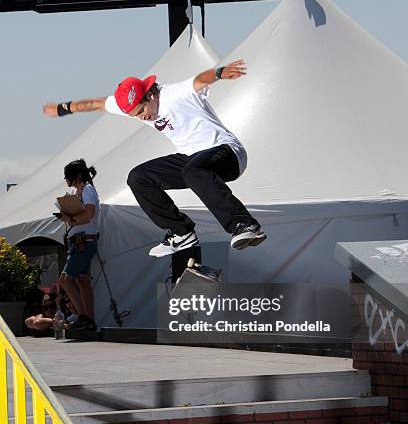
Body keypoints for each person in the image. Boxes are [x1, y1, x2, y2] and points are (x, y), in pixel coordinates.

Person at [43, 61, 266, 256]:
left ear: (150, 94)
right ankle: (182, 232)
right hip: (192, 160)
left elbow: (199, 80)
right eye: (136, 116)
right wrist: (62, 109)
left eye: (142, 111)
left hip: (227, 153)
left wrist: (219, 73)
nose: (143, 117)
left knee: (193, 171)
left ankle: (245, 225)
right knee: (138, 177)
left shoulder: (175, 94)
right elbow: (95, 104)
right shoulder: (132, 105)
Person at [57, 159, 100, 330]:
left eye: (68, 176)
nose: (66, 180)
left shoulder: (87, 190)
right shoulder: (83, 191)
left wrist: (70, 219)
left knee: (65, 280)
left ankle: (83, 316)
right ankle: (88, 318)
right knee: (82, 281)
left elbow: (89, 214)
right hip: (82, 241)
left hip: (84, 241)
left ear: (77, 176)